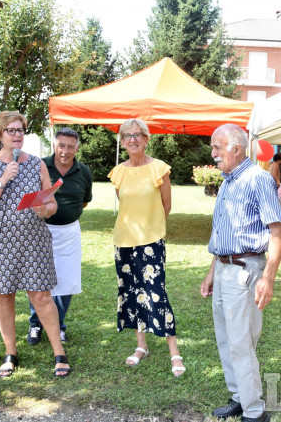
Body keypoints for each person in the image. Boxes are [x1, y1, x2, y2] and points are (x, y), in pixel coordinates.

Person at [0, 111, 70, 378]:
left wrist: (44, 209)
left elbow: (52, 203)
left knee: (41, 296)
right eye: (11, 131)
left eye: (20, 130)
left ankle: (59, 352)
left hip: (33, 241)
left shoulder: (37, 164)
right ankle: (10, 352)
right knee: (3, 296)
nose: (17, 135)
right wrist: (3, 179)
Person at [201, 124, 281, 422]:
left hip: (246, 270)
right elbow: (223, 232)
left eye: (217, 148)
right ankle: (239, 396)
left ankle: (254, 411)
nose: (213, 154)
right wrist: (213, 271)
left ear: (237, 149)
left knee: (241, 342)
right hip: (224, 268)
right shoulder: (227, 181)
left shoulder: (258, 180)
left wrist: (268, 278)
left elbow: (277, 230)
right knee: (226, 339)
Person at [108, 119, 185, 376]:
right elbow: (125, 205)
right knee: (131, 293)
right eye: (127, 136)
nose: (132, 139)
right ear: (122, 141)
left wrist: (152, 231)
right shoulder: (118, 172)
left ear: (146, 138)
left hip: (151, 242)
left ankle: (174, 352)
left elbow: (167, 206)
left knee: (155, 293)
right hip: (123, 242)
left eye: (137, 135)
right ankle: (141, 346)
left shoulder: (159, 169)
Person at [27, 127, 93, 346]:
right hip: (41, 231)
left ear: (77, 148)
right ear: (54, 145)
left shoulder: (84, 172)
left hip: (70, 233)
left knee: (66, 281)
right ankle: (35, 324)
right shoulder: (38, 166)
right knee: (38, 280)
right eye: (61, 145)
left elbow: (85, 201)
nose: (65, 151)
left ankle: (59, 326)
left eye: (70, 147)